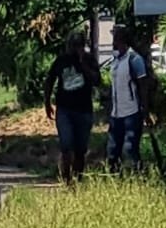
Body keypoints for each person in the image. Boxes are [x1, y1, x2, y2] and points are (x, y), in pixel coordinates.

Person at [43, 28, 99, 185]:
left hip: (84, 110)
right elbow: (50, 80)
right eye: (73, 45)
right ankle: (66, 180)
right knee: (66, 146)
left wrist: (83, 64)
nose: (75, 48)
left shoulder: (89, 59)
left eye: (78, 45)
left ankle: (77, 180)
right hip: (65, 110)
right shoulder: (61, 61)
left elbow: (97, 80)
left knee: (80, 149)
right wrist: (47, 102)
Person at [106, 25, 151, 174]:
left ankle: (137, 176)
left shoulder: (134, 59)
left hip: (132, 112)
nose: (114, 42)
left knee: (130, 149)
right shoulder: (116, 60)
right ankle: (115, 179)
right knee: (112, 151)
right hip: (116, 114)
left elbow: (143, 86)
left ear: (122, 39)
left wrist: (145, 110)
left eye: (116, 38)